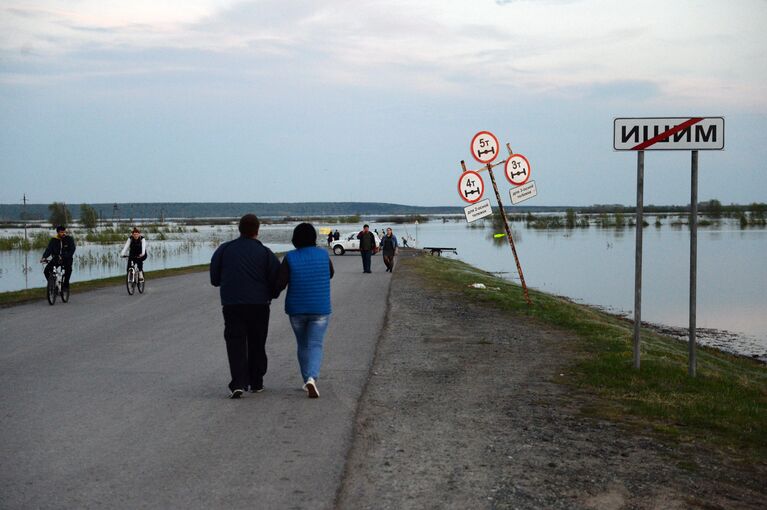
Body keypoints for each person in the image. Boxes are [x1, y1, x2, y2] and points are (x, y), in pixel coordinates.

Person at [210, 214, 279, 399]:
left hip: (232, 304)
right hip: (259, 305)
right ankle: (256, 381)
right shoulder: (266, 253)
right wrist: (271, 294)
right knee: (257, 342)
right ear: (257, 230)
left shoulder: (224, 249)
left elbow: (214, 279)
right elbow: (276, 280)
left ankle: (238, 382)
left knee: (235, 343)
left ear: (239, 229)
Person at [274, 223, 334, 398]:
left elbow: (280, 283)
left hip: (296, 309)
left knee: (302, 344)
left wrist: (270, 293)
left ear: (295, 238)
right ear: (313, 237)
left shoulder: (290, 257)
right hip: (320, 308)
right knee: (315, 344)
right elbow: (331, 273)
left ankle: (306, 379)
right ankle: (311, 378)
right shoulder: (323, 253)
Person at [40, 225, 76, 290]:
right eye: (61, 232)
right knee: (46, 271)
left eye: (64, 232)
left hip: (67, 259)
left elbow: (72, 250)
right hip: (56, 259)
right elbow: (49, 249)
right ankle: (53, 284)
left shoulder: (69, 239)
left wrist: (64, 256)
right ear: (58, 232)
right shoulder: (54, 240)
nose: (63, 233)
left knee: (68, 270)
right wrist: (44, 257)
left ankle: (65, 285)